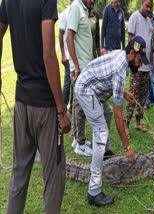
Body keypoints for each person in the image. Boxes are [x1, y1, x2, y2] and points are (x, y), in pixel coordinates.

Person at [0, 0, 71, 213]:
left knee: (19, 174)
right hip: (45, 107)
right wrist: (61, 109)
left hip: (21, 102)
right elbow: (49, 54)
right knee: (54, 177)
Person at [75, 36, 147, 207]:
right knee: (101, 132)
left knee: (105, 114)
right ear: (131, 53)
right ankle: (94, 191)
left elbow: (109, 79)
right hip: (86, 90)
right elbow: (118, 116)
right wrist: (127, 147)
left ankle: (105, 152)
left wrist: (124, 94)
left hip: (92, 87)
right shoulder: (121, 70)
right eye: (139, 59)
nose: (140, 64)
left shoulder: (121, 55)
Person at [67, 0, 95, 156]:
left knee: (78, 104)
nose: (93, 1)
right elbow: (68, 38)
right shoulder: (76, 8)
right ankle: (81, 144)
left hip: (85, 67)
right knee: (80, 106)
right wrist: (77, 67)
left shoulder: (83, 9)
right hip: (80, 69)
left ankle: (75, 138)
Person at [125, 0, 153, 136]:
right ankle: (126, 125)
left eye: (150, 7)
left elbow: (150, 43)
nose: (149, 9)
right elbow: (131, 41)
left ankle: (138, 122)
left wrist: (151, 63)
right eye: (147, 6)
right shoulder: (134, 17)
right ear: (142, 3)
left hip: (146, 65)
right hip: (137, 65)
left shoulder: (149, 21)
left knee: (142, 97)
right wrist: (133, 62)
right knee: (132, 97)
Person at [59, 0, 73, 112]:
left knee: (75, 82)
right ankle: (63, 106)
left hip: (76, 55)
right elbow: (60, 34)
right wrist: (63, 54)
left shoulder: (78, 12)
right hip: (68, 56)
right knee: (68, 82)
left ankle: (72, 106)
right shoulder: (65, 13)